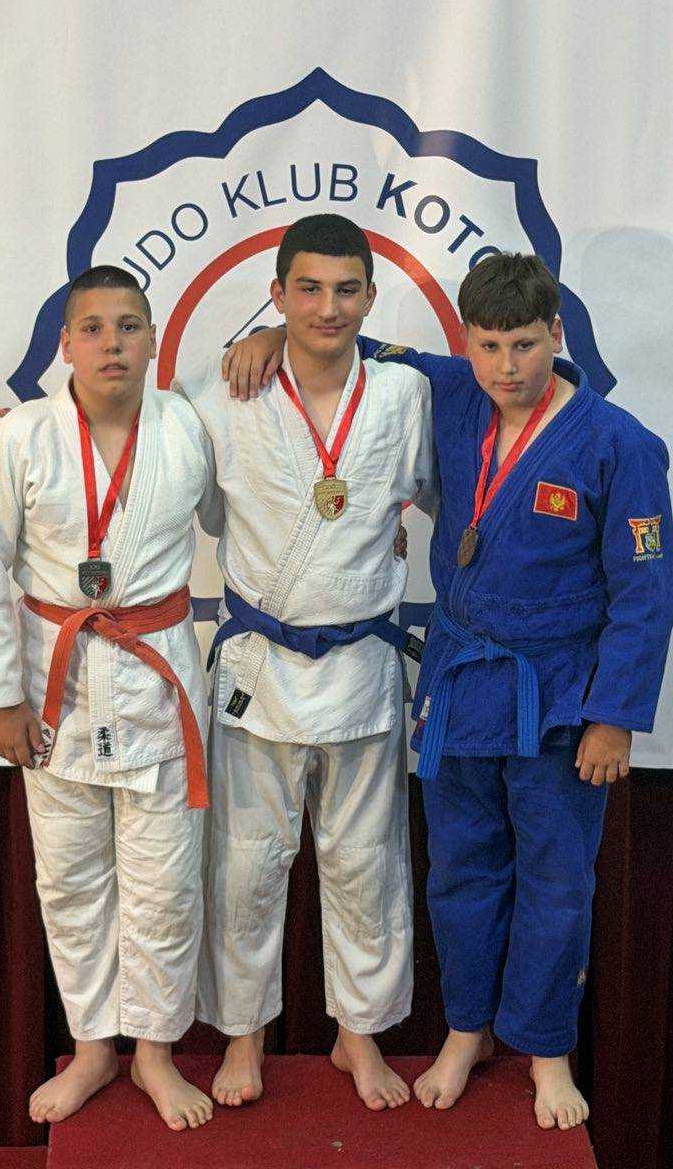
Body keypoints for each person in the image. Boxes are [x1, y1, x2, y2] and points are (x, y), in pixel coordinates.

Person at [227, 250, 673, 1130]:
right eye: (489, 346)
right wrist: (276, 334)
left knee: (556, 882)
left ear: (557, 334)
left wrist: (614, 718)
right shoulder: (452, 389)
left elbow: (644, 595)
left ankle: (546, 1051)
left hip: (558, 696)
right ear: (466, 342)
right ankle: (466, 1032)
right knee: (461, 873)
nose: (507, 367)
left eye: (525, 345)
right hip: (462, 687)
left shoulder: (620, 445)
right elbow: (347, 340)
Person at [0, 265, 223, 1131]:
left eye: (130, 326)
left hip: (158, 682)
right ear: (66, 344)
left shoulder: (189, 425)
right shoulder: (22, 436)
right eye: (95, 328)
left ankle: (154, 1053)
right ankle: (94, 1047)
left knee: (165, 885)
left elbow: (244, 510)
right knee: (70, 881)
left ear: (154, 340)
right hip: (54, 688)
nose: (114, 344)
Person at [182, 214, 436, 1111]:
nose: (329, 307)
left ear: (371, 295)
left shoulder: (406, 394)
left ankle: (358, 1036)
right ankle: (242, 1036)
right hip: (259, 668)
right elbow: (149, 476)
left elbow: (467, 469)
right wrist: (20, 446)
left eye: (347, 289)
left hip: (362, 665)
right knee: (246, 864)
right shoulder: (221, 397)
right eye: (310, 289)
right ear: (278, 294)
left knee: (367, 862)